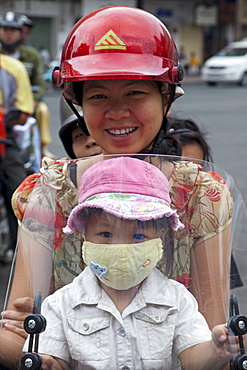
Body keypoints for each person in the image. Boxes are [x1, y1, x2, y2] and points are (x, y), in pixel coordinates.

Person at [0, 7, 234, 368]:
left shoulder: (203, 194)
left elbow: (213, 333)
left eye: (135, 93)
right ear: (77, 105)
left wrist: (226, 344)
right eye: (97, 97)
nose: (117, 112)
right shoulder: (48, 191)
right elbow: (22, 332)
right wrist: (32, 352)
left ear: (166, 97)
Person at [30, 157, 234, 370]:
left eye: (138, 236)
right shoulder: (61, 304)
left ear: (161, 237)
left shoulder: (177, 299)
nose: (122, 248)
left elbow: (192, 357)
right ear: (83, 236)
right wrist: (47, 363)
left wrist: (216, 349)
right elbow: (54, 359)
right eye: (106, 234)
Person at [0, 11, 54, 158]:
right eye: (5, 30)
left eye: (13, 30)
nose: (8, 34)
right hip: (3, 101)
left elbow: (40, 83)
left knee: (43, 111)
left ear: (21, 33)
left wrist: (34, 101)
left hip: (27, 100)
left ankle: (43, 148)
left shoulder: (32, 55)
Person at [0, 53, 33, 263]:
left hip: (5, 138)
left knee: (21, 196)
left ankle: (21, 251)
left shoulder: (13, 67)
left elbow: (23, 113)